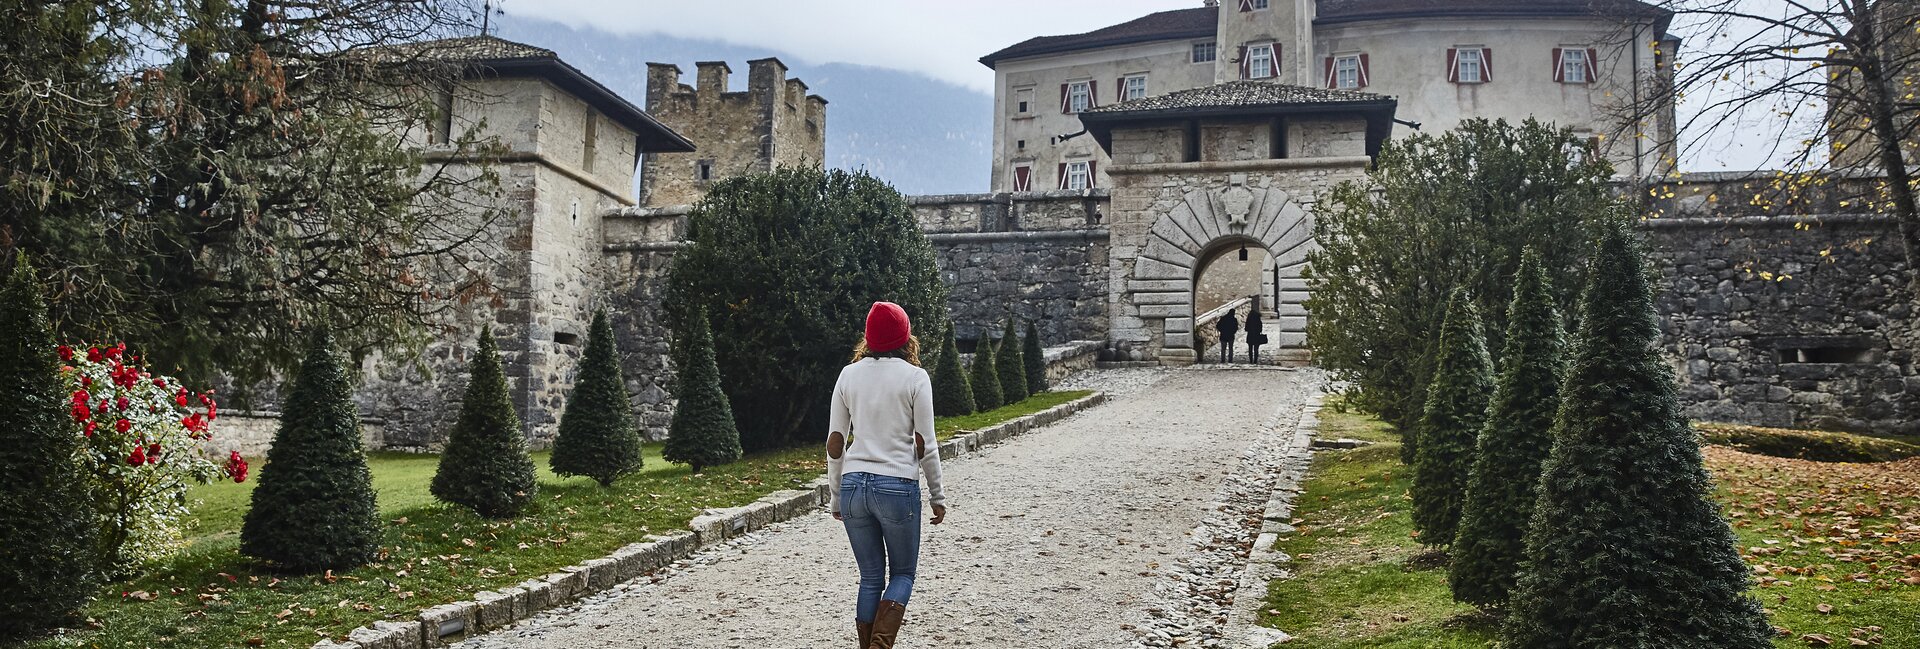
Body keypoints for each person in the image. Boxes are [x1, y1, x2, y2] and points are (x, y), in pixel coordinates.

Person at [827, 302, 948, 649]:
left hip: (853, 484)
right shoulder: (915, 378)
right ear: (905, 336)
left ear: (868, 336)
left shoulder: (848, 375)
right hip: (896, 485)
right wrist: (937, 496)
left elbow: (836, 443)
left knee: (869, 577)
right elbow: (925, 443)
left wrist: (836, 494)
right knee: (903, 574)